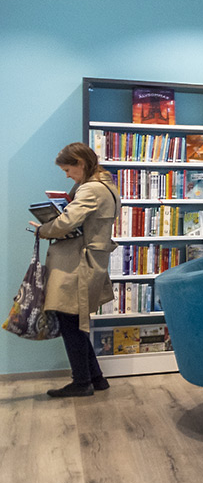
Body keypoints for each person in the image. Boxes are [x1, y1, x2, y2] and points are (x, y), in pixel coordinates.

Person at [32, 142, 120, 398]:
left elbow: (67, 222)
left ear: (80, 164)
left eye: (68, 170)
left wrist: (43, 229)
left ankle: (82, 382)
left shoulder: (90, 189)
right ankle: (96, 378)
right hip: (90, 259)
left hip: (78, 263)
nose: (68, 175)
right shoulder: (106, 185)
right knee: (75, 320)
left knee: (70, 320)